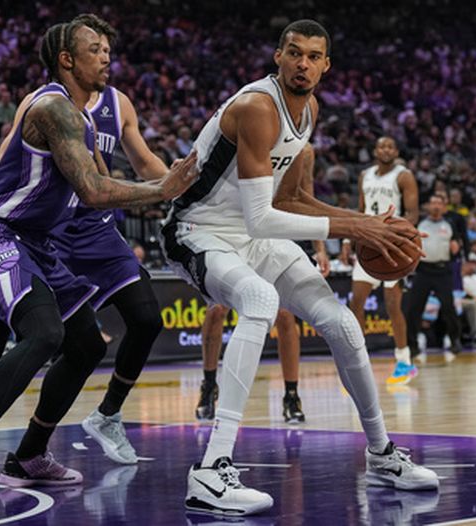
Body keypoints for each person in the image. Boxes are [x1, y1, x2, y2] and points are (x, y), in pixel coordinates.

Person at [160, 20, 437, 517]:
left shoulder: (308, 110)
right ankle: (211, 468)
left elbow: (289, 198)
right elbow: (261, 217)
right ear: (278, 57)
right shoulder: (257, 108)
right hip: (197, 232)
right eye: (294, 53)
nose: (303, 63)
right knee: (261, 301)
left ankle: (380, 454)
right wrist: (355, 230)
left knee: (342, 322)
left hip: (250, 234)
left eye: (314, 56)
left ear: (326, 65)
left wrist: (367, 222)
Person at [0, 18, 196, 516]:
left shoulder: (86, 116)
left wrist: (174, 186)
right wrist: (163, 189)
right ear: (66, 60)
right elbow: (94, 191)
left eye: (108, 49)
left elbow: (98, 186)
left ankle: (29, 454)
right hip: (1, 234)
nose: (106, 57)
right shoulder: (53, 107)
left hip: (42, 243)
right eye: (95, 50)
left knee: (87, 343)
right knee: (44, 333)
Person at [196, 144, 330, 424]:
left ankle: (291, 394)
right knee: (217, 310)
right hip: (230, 229)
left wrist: (320, 247)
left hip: (274, 232)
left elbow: (305, 196)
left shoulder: (303, 150)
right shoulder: (240, 133)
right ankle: (209, 383)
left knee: (284, 313)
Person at [348, 137, 419, 386]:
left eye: (390, 146)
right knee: (356, 302)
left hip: (392, 244)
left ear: (396, 151)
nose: (386, 150)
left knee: (392, 305)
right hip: (368, 244)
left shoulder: (404, 176)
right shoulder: (365, 175)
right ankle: (359, 362)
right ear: (375, 151)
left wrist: (403, 239)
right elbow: (360, 210)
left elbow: (412, 213)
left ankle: (404, 360)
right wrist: (349, 240)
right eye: (381, 146)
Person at [405, 194, 462, 360]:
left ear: (444, 207)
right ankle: (412, 344)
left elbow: (456, 244)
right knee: (415, 308)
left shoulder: (449, 224)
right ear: (428, 206)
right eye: (433, 202)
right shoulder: (420, 223)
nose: (436, 206)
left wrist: (456, 248)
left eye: (439, 203)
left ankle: (454, 340)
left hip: (442, 270)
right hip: (423, 270)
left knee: (448, 307)